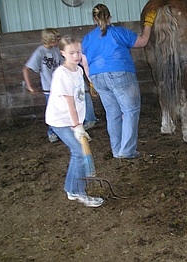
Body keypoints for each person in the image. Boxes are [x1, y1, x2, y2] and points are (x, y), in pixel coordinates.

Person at [82, 4, 156, 159]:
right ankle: (127, 151)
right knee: (129, 111)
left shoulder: (87, 38)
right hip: (120, 73)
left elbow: (84, 61)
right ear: (109, 16)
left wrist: (91, 82)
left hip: (97, 77)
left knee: (113, 114)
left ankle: (117, 150)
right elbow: (142, 41)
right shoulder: (119, 32)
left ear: (94, 19)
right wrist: (148, 25)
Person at [45, 35, 103, 207]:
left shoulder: (77, 70)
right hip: (61, 120)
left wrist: (85, 65)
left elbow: (86, 80)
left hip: (72, 119)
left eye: (79, 52)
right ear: (62, 53)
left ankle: (71, 189)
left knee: (77, 153)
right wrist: (78, 126)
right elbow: (70, 103)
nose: (76, 56)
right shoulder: (62, 75)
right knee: (79, 153)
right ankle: (79, 192)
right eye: (72, 53)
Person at [22, 28, 63, 143]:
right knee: (53, 111)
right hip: (49, 89)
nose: (59, 41)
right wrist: (30, 86)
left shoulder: (56, 50)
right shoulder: (40, 52)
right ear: (49, 40)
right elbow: (26, 69)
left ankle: (62, 132)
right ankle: (52, 132)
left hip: (60, 87)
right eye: (57, 39)